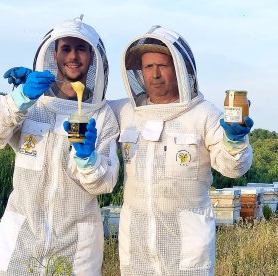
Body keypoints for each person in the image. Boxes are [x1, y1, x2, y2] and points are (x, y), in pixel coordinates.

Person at [0, 16, 119, 275]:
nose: (73, 56)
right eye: (66, 48)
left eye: (81, 49)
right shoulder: (34, 104)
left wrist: (88, 159)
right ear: (54, 54)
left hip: (77, 249)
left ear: (92, 57)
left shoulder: (102, 115)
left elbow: (105, 184)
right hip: (21, 245)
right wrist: (19, 98)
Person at [109, 26, 254, 275]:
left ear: (180, 69)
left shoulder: (204, 114)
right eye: (148, 67)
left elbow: (233, 168)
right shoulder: (124, 112)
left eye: (163, 66)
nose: (155, 74)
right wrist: (24, 98)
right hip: (137, 243)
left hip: (187, 244)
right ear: (139, 73)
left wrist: (235, 141)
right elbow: (81, 109)